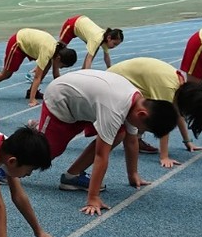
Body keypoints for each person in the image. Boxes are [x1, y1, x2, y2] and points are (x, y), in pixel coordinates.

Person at [35, 70, 178, 216]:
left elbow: (132, 140)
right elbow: (101, 155)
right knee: (44, 153)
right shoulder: (115, 109)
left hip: (84, 104)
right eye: (144, 129)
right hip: (60, 100)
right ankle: (11, 161)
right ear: (142, 115)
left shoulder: (137, 102)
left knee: (119, 133)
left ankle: (72, 176)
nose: (142, 132)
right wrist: (93, 198)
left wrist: (133, 174)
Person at [109, 57, 202, 168]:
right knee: (147, 116)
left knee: (144, 112)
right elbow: (163, 120)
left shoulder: (180, 87)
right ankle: (130, 138)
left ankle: (136, 138)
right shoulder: (167, 88)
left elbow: (177, 114)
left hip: (124, 78)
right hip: (114, 81)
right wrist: (164, 156)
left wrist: (187, 141)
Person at [0, 28, 78, 105]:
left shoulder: (57, 51)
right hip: (18, 42)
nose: (60, 68)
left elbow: (55, 74)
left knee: (47, 66)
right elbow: (37, 76)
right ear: (58, 58)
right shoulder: (48, 51)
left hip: (29, 43)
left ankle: (32, 92)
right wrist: (32, 100)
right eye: (62, 66)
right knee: (6, 74)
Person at [59, 16, 125, 69]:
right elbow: (89, 59)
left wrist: (110, 69)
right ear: (109, 38)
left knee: (95, 49)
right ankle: (56, 74)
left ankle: (83, 70)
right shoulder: (97, 39)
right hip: (73, 24)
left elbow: (106, 58)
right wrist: (89, 75)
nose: (114, 47)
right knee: (59, 50)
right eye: (114, 44)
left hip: (82, 23)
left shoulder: (105, 41)